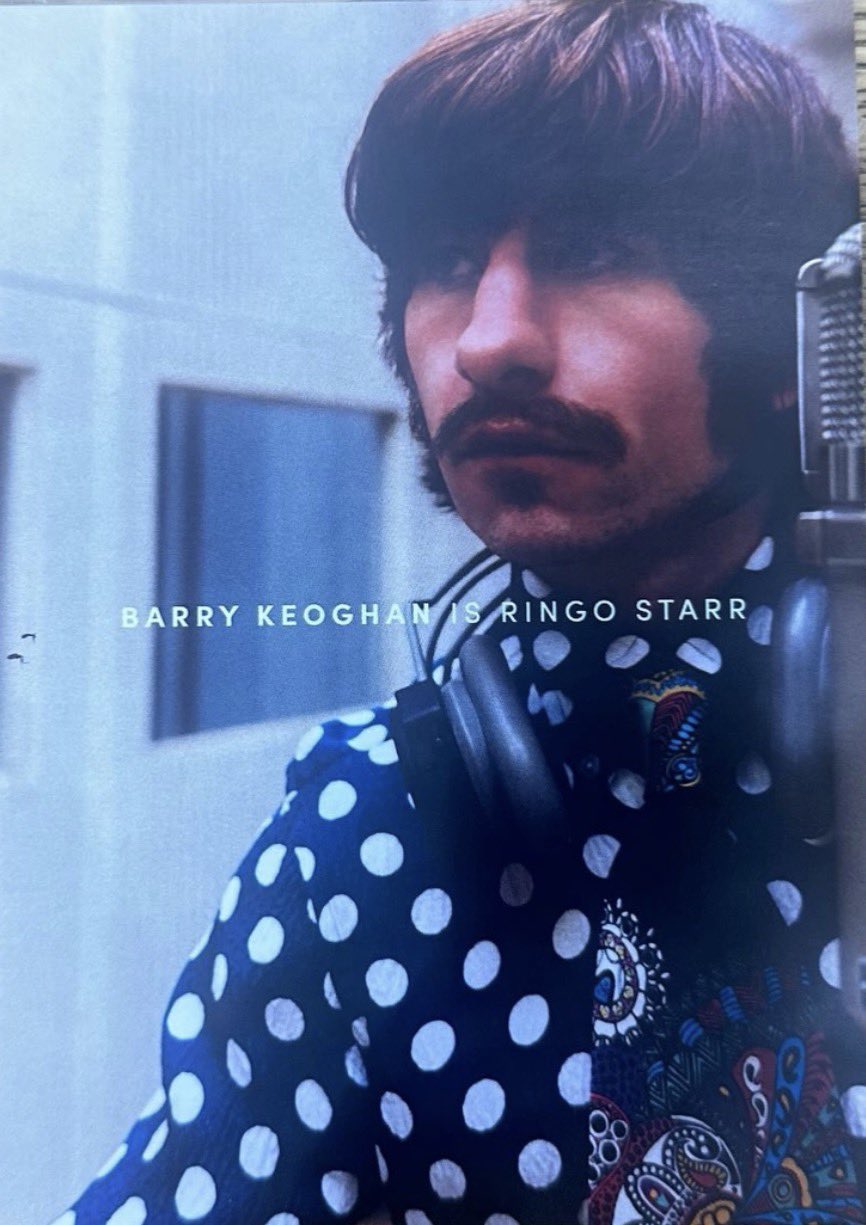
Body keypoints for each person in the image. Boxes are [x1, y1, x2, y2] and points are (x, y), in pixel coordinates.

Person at [52, 2, 864, 1223]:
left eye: (595, 250)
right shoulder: (356, 824)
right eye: (444, 265)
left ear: (786, 337)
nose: (487, 342)